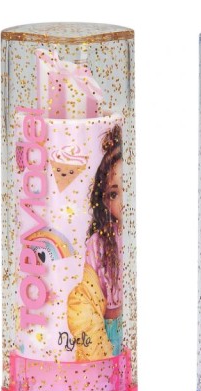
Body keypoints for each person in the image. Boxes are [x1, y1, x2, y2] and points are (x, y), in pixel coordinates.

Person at [67, 125, 123, 360]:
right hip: (105, 331)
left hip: (126, 327)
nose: (122, 202)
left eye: (126, 189)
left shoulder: (129, 237)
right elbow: (89, 295)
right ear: (104, 199)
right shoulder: (99, 243)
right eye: (114, 194)